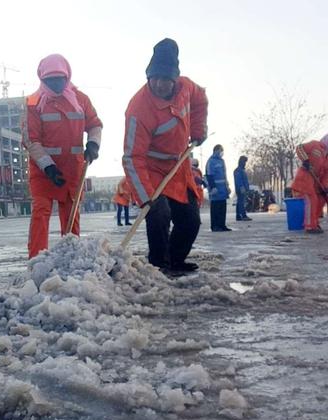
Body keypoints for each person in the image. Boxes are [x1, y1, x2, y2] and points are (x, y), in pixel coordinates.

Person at [122, 38, 208, 274]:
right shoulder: (138, 108)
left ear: (175, 79)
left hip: (178, 167)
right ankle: (159, 266)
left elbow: (201, 101)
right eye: (154, 78)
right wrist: (146, 197)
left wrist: (198, 130)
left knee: (190, 219)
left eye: (165, 79)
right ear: (148, 76)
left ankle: (176, 259)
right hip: (150, 170)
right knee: (158, 213)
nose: (159, 84)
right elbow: (132, 157)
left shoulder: (187, 87)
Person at [23, 54, 103, 259]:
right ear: (42, 79)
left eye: (59, 79)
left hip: (72, 169)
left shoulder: (80, 99)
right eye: (50, 80)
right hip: (43, 170)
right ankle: (36, 260)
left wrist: (93, 144)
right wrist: (48, 166)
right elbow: (31, 140)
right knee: (41, 211)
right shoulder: (33, 103)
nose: (55, 84)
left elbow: (94, 124)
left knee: (71, 213)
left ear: (67, 77)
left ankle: (71, 257)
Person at [291, 134, 328, 233]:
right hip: (303, 179)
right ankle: (309, 226)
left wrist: (325, 188)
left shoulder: (327, 157)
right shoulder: (315, 145)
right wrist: (305, 160)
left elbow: (326, 175)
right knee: (311, 200)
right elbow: (299, 148)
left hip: (315, 183)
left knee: (320, 200)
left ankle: (314, 223)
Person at [205, 144, 231, 232]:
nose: (222, 152)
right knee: (215, 208)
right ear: (216, 150)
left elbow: (224, 175)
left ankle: (222, 225)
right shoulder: (211, 161)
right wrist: (213, 187)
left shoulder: (222, 161)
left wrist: (227, 186)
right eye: (221, 150)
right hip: (215, 189)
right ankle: (215, 226)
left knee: (222, 208)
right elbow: (209, 175)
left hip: (223, 189)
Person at [233, 155, 252, 221]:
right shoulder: (239, 170)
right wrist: (242, 187)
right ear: (242, 162)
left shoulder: (240, 170)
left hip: (241, 188)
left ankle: (239, 216)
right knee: (241, 202)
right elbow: (239, 180)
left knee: (240, 202)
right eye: (245, 162)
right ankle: (243, 215)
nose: (245, 163)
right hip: (241, 189)